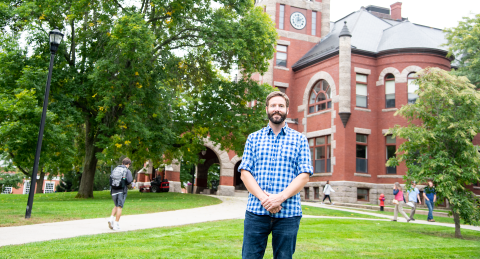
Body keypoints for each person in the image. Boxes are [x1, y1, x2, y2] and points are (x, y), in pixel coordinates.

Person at [238, 91, 313, 259]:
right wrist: (266, 200)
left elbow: (304, 175)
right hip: (256, 212)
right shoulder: (253, 138)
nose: (276, 109)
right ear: (267, 109)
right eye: (273, 106)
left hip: (288, 214)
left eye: (281, 106)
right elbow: (245, 173)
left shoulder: (300, 139)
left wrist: (280, 198)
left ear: (287, 109)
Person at [109, 157, 133, 230]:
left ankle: (111, 218)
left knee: (116, 205)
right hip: (121, 191)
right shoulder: (127, 171)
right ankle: (116, 224)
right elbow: (129, 181)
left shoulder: (115, 169)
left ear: (122, 163)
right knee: (120, 206)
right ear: (128, 164)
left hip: (113, 190)